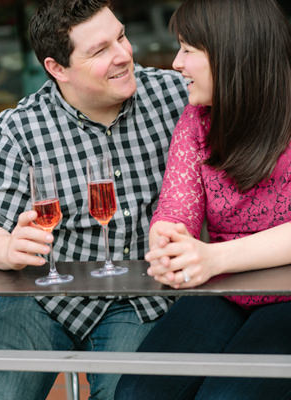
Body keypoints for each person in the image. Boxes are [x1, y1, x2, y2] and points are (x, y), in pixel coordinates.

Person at [0, 0, 188, 398]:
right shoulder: (18, 128)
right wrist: (7, 249)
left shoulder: (176, 96)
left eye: (121, 37)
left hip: (138, 301)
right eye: (100, 51)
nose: (123, 55)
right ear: (56, 68)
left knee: (126, 394)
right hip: (44, 295)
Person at [115, 0, 291, 398]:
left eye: (188, 49)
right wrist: (167, 238)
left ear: (231, 52)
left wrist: (213, 258)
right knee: (137, 392)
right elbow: (177, 207)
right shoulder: (197, 121)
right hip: (226, 292)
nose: (176, 63)